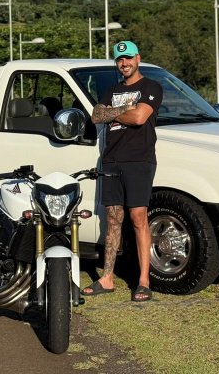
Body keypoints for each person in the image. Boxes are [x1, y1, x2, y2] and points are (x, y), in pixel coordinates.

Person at [82, 40, 163, 302]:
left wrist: (112, 113)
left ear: (137, 58)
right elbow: (96, 115)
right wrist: (124, 110)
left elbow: (140, 118)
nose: (124, 64)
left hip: (138, 160)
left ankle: (143, 281)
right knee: (113, 218)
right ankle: (107, 278)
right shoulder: (113, 89)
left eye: (128, 58)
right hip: (111, 161)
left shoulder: (151, 87)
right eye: (119, 60)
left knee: (138, 217)